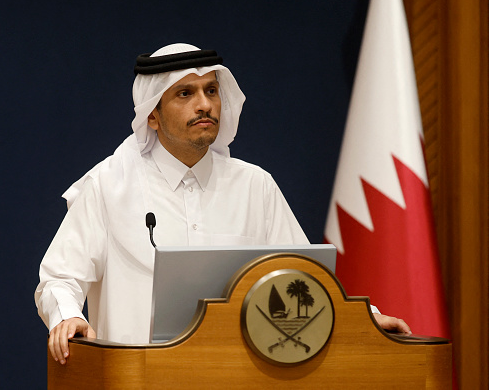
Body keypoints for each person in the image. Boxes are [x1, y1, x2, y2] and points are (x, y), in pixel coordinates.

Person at [35, 43, 411, 365]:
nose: (204, 104)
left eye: (211, 91)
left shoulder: (254, 186)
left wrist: (366, 320)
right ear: (152, 114)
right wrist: (68, 317)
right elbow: (59, 278)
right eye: (185, 94)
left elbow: (307, 278)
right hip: (139, 376)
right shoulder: (108, 185)